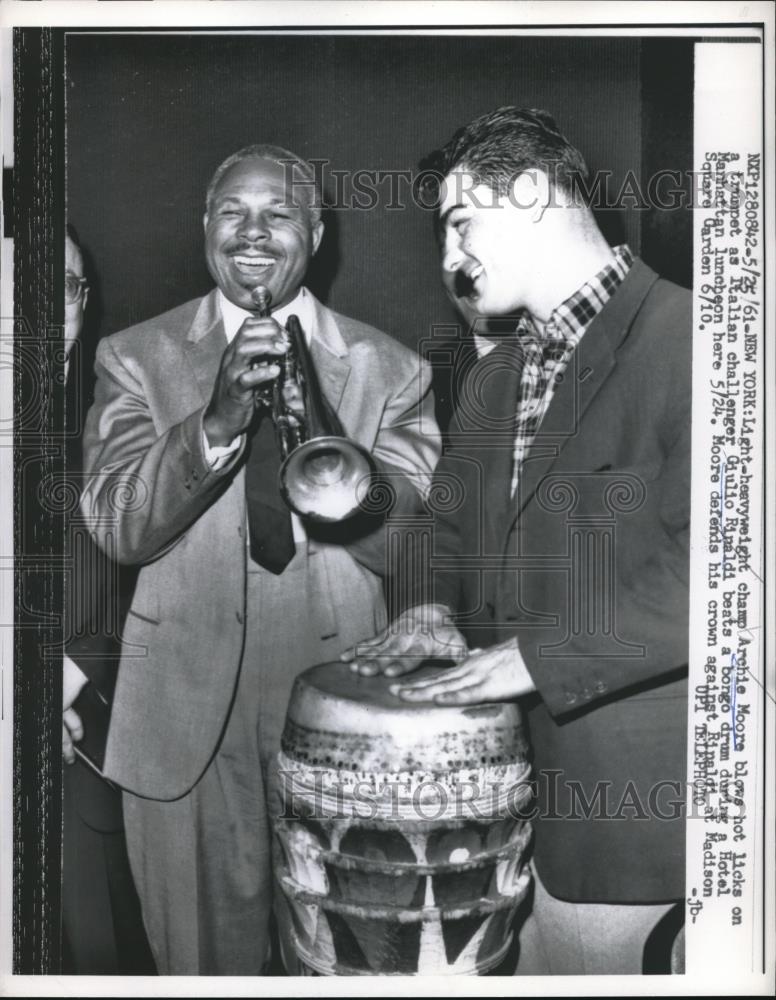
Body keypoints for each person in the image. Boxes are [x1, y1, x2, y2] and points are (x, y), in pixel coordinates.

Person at [78, 145, 441, 975]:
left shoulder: (393, 369)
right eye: (232, 213)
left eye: (278, 214)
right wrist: (212, 425)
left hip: (343, 709)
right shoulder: (135, 356)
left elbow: (419, 549)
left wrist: (340, 459)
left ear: (315, 232)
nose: (253, 233)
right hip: (184, 723)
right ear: (205, 228)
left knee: (356, 964)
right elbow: (115, 526)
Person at [346, 107, 690, 975]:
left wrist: (529, 660)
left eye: (460, 223)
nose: (447, 259)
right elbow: (441, 525)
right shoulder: (496, 377)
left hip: (638, 841)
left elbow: (730, 576)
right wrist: (427, 602)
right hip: (507, 823)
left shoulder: (701, 339)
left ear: (533, 192)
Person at [61, 227, 155, 974]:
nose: (40, 303)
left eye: (63, 285)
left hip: (83, 751)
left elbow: (157, 592)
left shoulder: (116, 420)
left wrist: (59, 678)